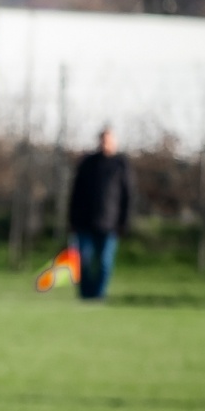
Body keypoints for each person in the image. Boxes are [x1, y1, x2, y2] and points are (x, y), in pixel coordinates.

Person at [68, 127, 133, 301]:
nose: (105, 143)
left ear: (114, 142)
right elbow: (76, 194)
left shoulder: (121, 165)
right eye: (103, 140)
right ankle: (85, 294)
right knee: (85, 262)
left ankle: (99, 295)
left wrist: (123, 223)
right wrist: (72, 221)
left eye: (109, 140)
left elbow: (127, 196)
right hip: (84, 223)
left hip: (109, 224)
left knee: (105, 262)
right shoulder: (88, 163)